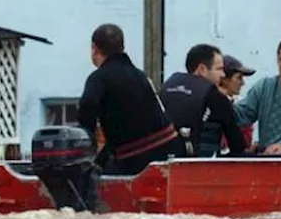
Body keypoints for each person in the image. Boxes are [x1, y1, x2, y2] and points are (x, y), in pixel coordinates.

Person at [76, 23, 183, 175]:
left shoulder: (99, 78)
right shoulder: (140, 76)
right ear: (122, 47)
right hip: (169, 151)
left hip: (134, 159)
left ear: (94, 48)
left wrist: (86, 142)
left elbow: (87, 111)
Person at [159, 44, 248, 157]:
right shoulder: (214, 95)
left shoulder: (166, 88)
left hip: (164, 163)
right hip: (201, 168)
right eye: (219, 69)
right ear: (202, 69)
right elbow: (237, 146)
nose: (223, 74)